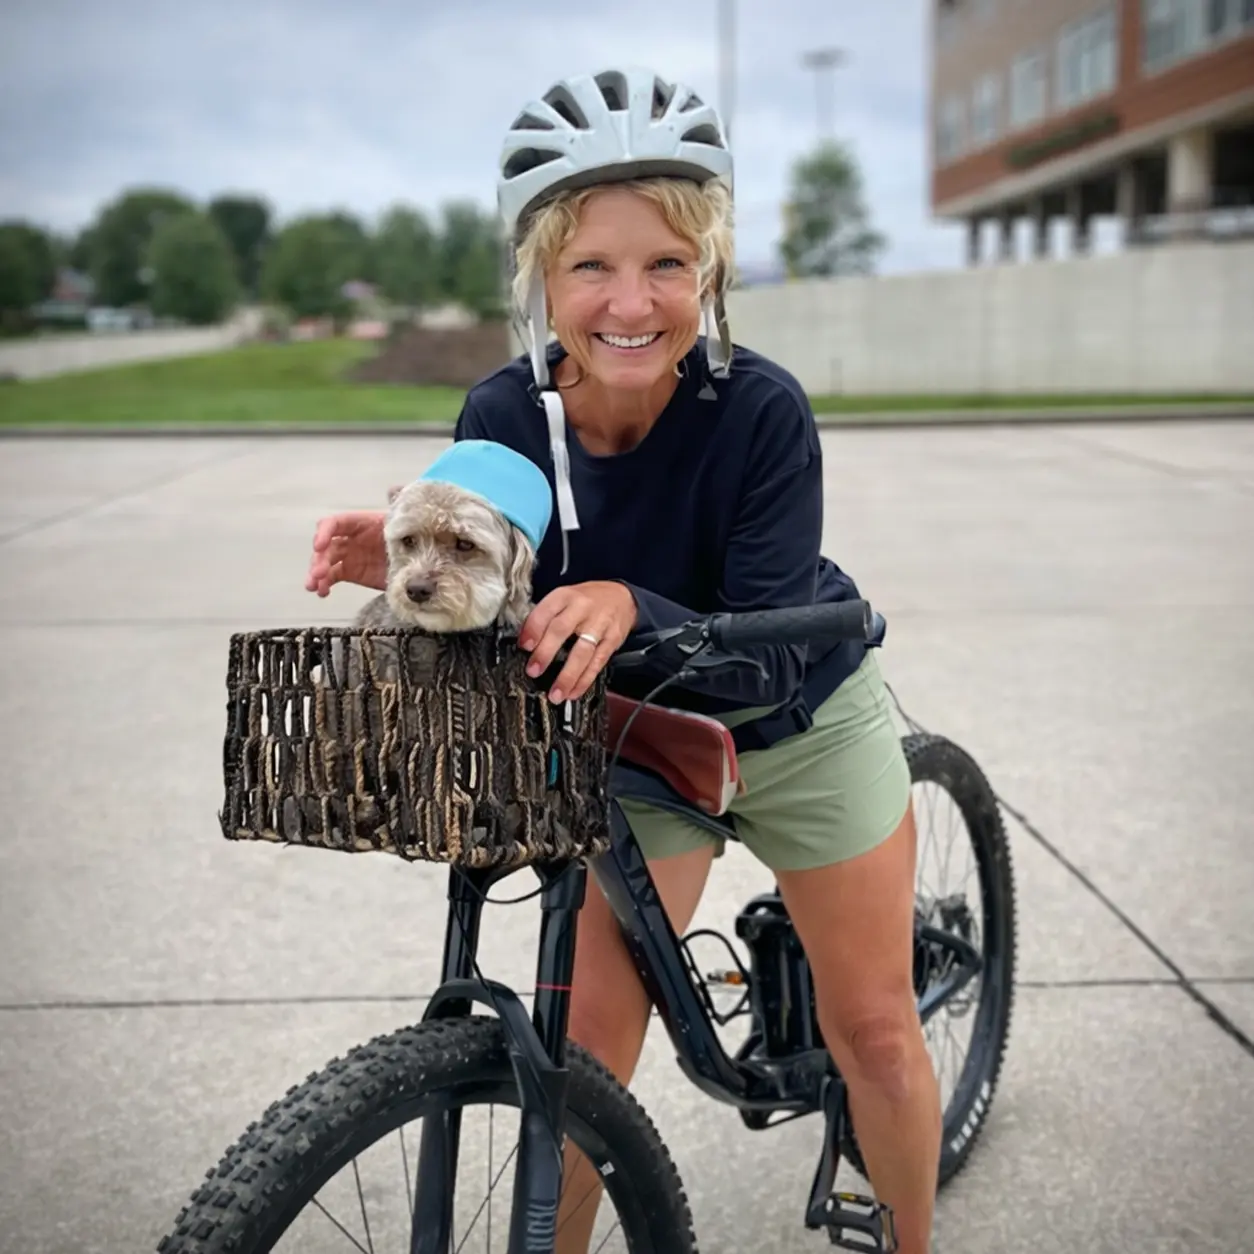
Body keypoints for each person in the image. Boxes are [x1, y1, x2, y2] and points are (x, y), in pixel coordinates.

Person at [305, 66, 940, 1254]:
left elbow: (752, 647)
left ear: (708, 272)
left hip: (797, 715)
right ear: (541, 278)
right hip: (641, 737)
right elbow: (486, 575)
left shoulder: (761, 411)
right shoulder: (501, 415)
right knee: (584, 1055)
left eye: (666, 263)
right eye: (591, 265)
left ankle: (911, 1239)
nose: (630, 300)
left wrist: (622, 597)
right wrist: (407, 568)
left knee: (876, 1033)